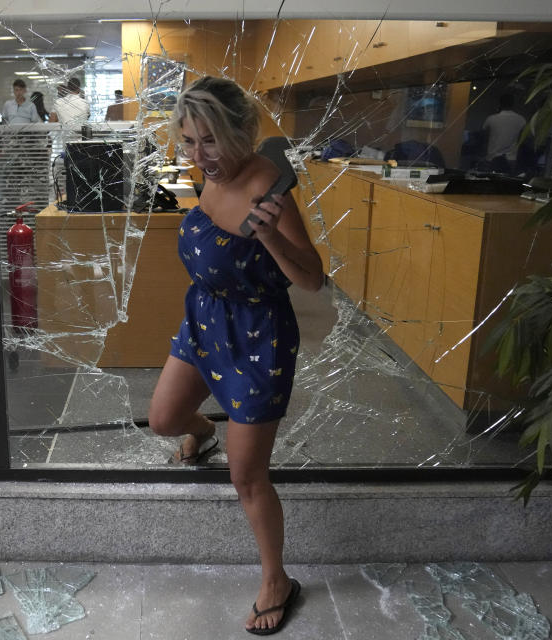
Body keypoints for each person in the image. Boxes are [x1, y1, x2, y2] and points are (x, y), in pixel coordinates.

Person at [148, 76, 323, 636]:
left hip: (257, 338)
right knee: (164, 420)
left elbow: (314, 279)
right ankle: (203, 430)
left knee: (248, 477)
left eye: (212, 141)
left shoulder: (267, 184)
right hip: (204, 318)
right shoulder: (207, 176)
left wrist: (270, 237)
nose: (202, 157)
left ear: (242, 134)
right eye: (190, 142)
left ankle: (278, 580)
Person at [482, 94, 526, 173]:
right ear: (513, 104)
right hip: (511, 158)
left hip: (492, 157)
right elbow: (523, 139)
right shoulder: (521, 119)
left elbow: (484, 137)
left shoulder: (491, 119)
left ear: (500, 103)